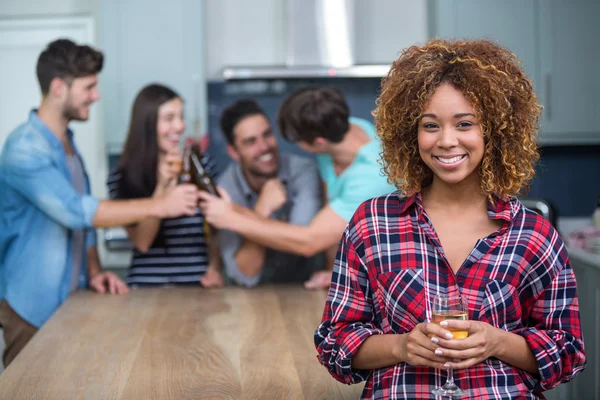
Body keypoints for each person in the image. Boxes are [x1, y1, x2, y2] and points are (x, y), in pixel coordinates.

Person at [314, 39, 586, 398]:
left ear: (495, 131)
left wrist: (497, 342)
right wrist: (400, 347)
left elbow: (567, 351)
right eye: (430, 126)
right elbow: (334, 343)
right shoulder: (372, 223)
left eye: (464, 124)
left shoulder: (532, 233)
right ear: (410, 133)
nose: (446, 141)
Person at [0, 39, 199, 367]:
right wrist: (161, 204)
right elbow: (78, 212)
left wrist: (94, 270)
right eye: (89, 86)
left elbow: (85, 229)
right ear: (59, 87)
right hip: (31, 306)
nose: (97, 95)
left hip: (72, 301)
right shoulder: (25, 148)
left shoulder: (68, 144)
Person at [199, 87, 397, 289]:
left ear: (318, 143)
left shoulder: (372, 177)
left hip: (390, 277)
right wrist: (335, 271)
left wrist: (231, 216)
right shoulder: (340, 127)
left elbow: (309, 241)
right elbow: (334, 221)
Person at [107, 84, 223, 288]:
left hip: (198, 287)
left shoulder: (201, 165)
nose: (180, 126)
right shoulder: (122, 176)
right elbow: (142, 243)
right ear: (147, 124)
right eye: (169, 119)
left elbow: (215, 228)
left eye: (181, 117)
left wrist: (215, 266)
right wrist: (163, 186)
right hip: (146, 290)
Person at [216, 99, 323, 287]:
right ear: (233, 152)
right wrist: (262, 209)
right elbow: (244, 274)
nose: (264, 146)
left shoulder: (303, 171)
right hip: (248, 299)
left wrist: (237, 218)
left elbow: (301, 241)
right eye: (251, 142)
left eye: (267, 134)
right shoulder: (225, 189)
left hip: (306, 289)